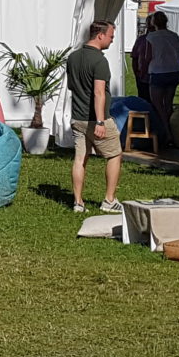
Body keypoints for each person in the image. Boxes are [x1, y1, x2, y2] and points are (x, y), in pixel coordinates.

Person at [66, 19, 122, 214]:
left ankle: (78, 202)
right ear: (100, 35)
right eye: (111, 36)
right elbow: (99, 93)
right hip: (96, 118)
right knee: (114, 154)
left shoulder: (72, 57)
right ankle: (109, 200)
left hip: (77, 117)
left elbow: (72, 86)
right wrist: (100, 121)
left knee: (80, 158)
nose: (112, 40)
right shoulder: (100, 61)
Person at [141, 12, 179, 137]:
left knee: (157, 104)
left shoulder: (151, 37)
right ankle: (172, 130)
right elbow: (178, 54)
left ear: (153, 23)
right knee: (168, 104)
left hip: (158, 71)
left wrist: (143, 71)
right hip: (174, 70)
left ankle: (166, 131)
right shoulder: (174, 36)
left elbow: (147, 57)